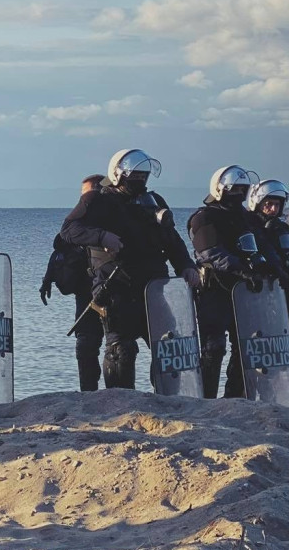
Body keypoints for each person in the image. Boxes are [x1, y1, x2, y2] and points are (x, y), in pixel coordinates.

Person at [60, 151, 197, 389]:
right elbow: (69, 230)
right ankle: (119, 404)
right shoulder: (97, 200)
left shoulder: (153, 202)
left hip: (155, 288)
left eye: (144, 176)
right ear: (118, 175)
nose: (140, 181)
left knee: (168, 345)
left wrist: (186, 265)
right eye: (135, 176)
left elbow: (172, 240)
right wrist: (101, 236)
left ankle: (170, 396)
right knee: (121, 349)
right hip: (116, 287)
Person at [187, 165, 275, 398]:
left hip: (245, 290)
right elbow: (209, 252)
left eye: (242, 190)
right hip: (214, 289)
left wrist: (272, 269)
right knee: (213, 347)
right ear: (220, 189)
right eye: (233, 189)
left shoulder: (246, 218)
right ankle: (205, 398)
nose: (238, 194)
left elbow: (263, 246)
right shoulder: (204, 216)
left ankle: (235, 398)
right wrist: (241, 268)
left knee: (245, 345)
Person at [40, 175, 105, 391]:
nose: (85, 200)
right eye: (84, 196)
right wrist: (47, 278)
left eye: (89, 194)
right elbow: (60, 247)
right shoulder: (75, 226)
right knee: (86, 343)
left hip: (116, 289)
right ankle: (89, 392)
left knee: (120, 345)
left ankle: (119, 391)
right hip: (86, 294)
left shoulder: (114, 216)